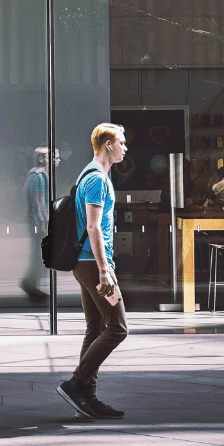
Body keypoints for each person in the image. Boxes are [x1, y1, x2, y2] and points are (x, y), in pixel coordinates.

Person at [57, 123, 128, 422]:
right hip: (92, 264)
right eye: (122, 142)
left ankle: (87, 398)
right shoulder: (98, 180)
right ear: (109, 145)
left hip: (85, 263)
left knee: (96, 328)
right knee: (118, 328)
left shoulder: (87, 174)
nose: (126, 148)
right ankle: (75, 384)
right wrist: (104, 270)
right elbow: (93, 226)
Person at [19, 147, 57, 302]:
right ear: (42, 159)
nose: (57, 160)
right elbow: (38, 203)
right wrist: (44, 223)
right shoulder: (38, 177)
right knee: (40, 256)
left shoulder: (37, 176)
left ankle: (31, 284)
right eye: (53, 157)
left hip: (36, 222)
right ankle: (30, 284)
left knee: (39, 256)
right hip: (38, 222)